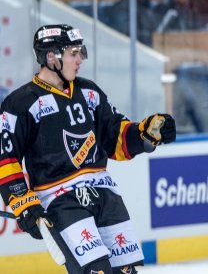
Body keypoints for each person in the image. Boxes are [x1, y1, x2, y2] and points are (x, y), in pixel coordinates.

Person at [0, 24, 176, 273]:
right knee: (95, 270)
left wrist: (145, 133)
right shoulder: (20, 103)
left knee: (125, 271)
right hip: (60, 198)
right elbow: (6, 158)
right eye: (73, 53)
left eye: (80, 52)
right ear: (51, 57)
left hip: (103, 191)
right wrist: (23, 202)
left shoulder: (89, 92)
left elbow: (115, 138)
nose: (80, 59)